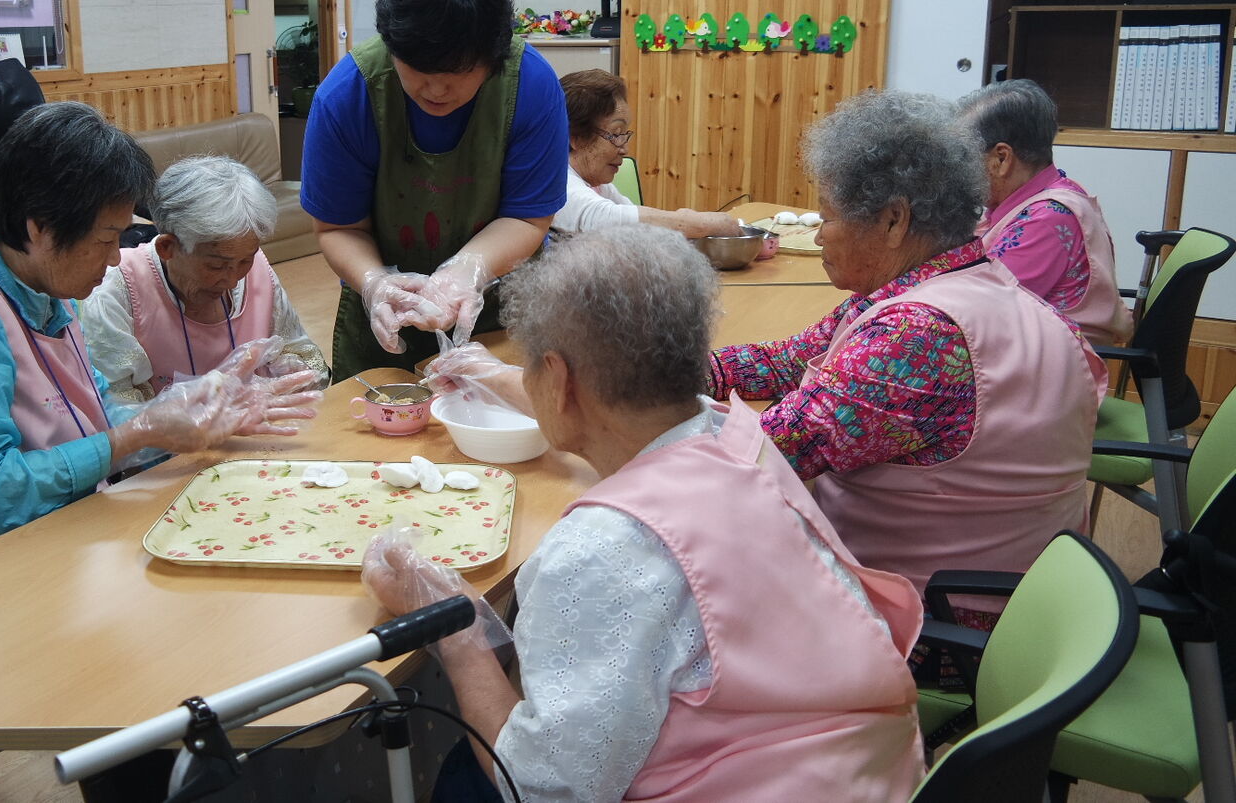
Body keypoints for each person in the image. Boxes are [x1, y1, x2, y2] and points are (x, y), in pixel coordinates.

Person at [436, 92, 1108, 628]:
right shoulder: (961, 282)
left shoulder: (917, 335)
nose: (821, 235)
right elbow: (788, 360)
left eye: (828, 216)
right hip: (1016, 585)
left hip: (929, 616)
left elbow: (740, 460)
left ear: (895, 221)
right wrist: (658, 364)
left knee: (634, 580)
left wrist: (555, 387)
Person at [367, 225, 925, 802]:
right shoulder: (736, 435)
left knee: (466, 777)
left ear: (558, 380)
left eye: (529, 366)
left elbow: (540, 789)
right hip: (868, 770)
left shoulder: (601, 548)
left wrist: (456, 630)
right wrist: (493, 375)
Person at [0, 103, 322, 585]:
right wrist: (136, 434)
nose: (114, 260)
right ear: (38, 227)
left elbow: (97, 417)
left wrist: (184, 418)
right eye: (106, 239)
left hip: (60, 548)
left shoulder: (49, 290)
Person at [300, 0, 568, 381]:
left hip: (502, 310)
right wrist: (376, 283)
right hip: (385, 320)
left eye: (458, 73)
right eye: (419, 71)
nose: (437, 90)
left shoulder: (530, 85)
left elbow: (528, 217)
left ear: (493, 58)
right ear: (392, 46)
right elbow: (337, 228)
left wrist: (467, 271)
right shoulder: (348, 96)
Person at [81, 155, 329, 400]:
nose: (232, 281)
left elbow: (303, 355)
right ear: (167, 247)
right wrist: (191, 406)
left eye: (245, 261)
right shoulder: (117, 288)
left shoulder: (256, 267)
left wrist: (295, 373)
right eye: (216, 265)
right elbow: (116, 405)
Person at [957, 78, 1133, 347]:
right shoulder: (1045, 193)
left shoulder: (1046, 218)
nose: (958, 170)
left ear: (1001, 158)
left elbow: (980, 310)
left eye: (964, 157)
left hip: (1054, 361)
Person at [552, 69, 742, 238]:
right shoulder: (554, 181)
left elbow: (637, 222)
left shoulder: (597, 185)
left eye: (624, 135)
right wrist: (691, 223)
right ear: (576, 138)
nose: (624, 149)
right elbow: (601, 218)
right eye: (615, 134)